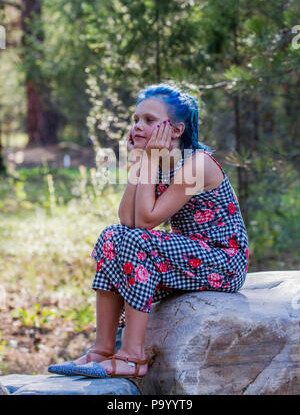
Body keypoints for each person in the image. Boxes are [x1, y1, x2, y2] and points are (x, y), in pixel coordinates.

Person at [48, 83, 249, 380]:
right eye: (136, 120)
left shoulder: (197, 164)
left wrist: (147, 160)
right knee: (111, 237)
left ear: (177, 130)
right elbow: (127, 220)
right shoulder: (160, 161)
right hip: (186, 255)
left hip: (222, 261)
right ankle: (103, 349)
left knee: (137, 242)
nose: (138, 127)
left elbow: (145, 223)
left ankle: (132, 357)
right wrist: (141, 161)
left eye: (150, 121)